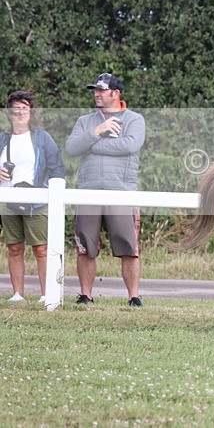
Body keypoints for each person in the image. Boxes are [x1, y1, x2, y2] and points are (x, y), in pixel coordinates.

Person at [65, 73, 146, 306]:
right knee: (85, 247)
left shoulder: (134, 119)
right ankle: (86, 296)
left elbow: (129, 146)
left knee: (129, 248)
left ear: (115, 93)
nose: (97, 94)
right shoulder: (85, 121)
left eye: (101, 90)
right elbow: (72, 147)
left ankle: (133, 297)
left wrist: (91, 145)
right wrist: (96, 131)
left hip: (121, 192)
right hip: (88, 192)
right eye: (95, 90)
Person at [1, 91, 65, 303]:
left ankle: (47, 294)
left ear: (31, 112)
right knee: (14, 247)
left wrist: (48, 193)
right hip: (8, 200)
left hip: (36, 201)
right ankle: (17, 294)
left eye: (24, 108)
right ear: (9, 113)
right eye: (16, 108)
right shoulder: (3, 139)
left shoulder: (42, 138)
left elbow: (57, 168)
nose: (20, 112)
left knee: (41, 248)